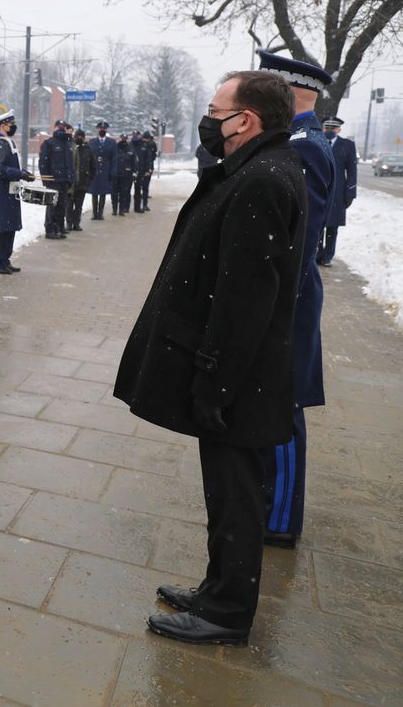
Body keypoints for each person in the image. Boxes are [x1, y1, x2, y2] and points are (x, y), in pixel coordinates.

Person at [115, 69, 306, 646]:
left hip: (239, 380)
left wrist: (213, 384)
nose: (208, 116)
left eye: (215, 108)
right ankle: (219, 586)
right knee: (227, 492)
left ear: (244, 119)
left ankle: (226, 612)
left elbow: (245, 300)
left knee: (236, 495)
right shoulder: (257, 170)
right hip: (239, 375)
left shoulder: (262, 180)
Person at [255, 50, 335, 550]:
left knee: (283, 410)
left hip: (288, 303)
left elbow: (298, 240)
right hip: (283, 300)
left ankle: (279, 519)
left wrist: (271, 305)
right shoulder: (295, 141)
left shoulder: (305, 146)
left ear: (288, 91)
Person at [0, 110, 34, 274]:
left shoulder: (8, 142)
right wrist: (19, 173)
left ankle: (5, 259)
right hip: (2, 192)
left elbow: (11, 166)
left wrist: (24, 173)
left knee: (11, 225)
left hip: (11, 190)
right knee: (4, 227)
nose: (14, 127)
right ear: (3, 126)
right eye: (11, 125)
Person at [317, 115, 357, 267]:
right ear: (323, 128)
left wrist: (350, 193)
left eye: (333, 128)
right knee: (318, 224)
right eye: (327, 128)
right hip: (319, 189)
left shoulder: (347, 145)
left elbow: (352, 171)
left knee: (332, 227)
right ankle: (317, 254)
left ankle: (327, 256)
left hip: (337, 193)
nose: (329, 131)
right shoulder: (317, 142)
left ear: (339, 129)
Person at [38, 123, 75, 239]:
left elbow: (70, 163)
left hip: (64, 180)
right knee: (52, 205)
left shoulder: (68, 144)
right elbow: (43, 163)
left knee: (62, 205)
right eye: (59, 128)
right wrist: (45, 179)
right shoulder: (49, 143)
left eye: (63, 128)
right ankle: (50, 229)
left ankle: (59, 227)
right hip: (53, 180)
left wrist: (71, 177)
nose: (62, 130)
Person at [68, 127, 95, 231]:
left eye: (81, 137)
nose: (79, 138)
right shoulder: (71, 147)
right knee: (69, 205)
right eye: (77, 136)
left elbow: (93, 165)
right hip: (71, 182)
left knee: (79, 205)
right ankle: (69, 223)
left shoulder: (88, 149)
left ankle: (76, 223)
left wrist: (90, 178)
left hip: (83, 182)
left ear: (84, 138)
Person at [88, 121, 116, 219]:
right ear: (97, 130)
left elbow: (114, 158)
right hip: (95, 170)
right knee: (94, 192)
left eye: (104, 129)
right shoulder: (91, 142)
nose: (102, 130)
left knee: (103, 192)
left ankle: (101, 213)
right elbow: (89, 157)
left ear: (106, 130)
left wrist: (112, 171)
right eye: (100, 129)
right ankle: (94, 213)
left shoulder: (111, 142)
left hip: (105, 170)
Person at [133, 131, 158, 212]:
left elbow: (153, 156)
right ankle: (143, 205)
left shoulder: (151, 145)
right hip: (143, 169)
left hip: (146, 168)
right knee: (143, 188)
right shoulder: (141, 145)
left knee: (143, 188)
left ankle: (144, 205)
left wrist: (149, 168)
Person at [113, 132, 136, 215]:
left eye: (125, 139)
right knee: (114, 193)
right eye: (122, 138)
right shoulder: (115, 148)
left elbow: (134, 162)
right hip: (116, 174)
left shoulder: (130, 149)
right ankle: (114, 209)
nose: (124, 140)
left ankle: (122, 210)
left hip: (126, 175)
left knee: (124, 193)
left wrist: (134, 173)